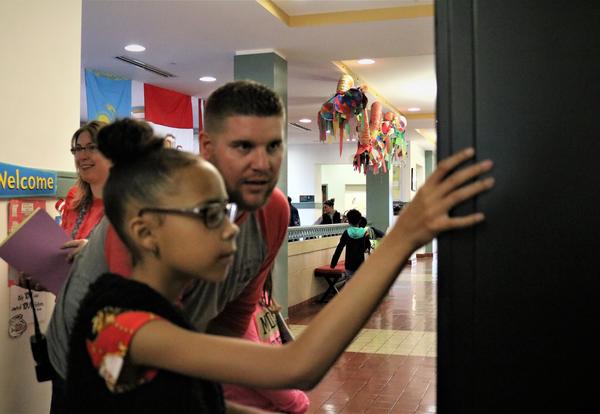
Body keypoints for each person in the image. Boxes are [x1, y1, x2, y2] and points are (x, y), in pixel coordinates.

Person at [63, 125, 494, 412]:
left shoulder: (160, 312)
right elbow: (297, 365)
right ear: (146, 230)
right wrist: (405, 236)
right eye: (210, 215)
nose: (231, 230)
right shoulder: (122, 325)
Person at [46, 80, 289, 410]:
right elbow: (300, 366)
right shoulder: (122, 319)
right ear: (207, 146)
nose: (263, 163)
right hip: (85, 372)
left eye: (274, 146)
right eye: (243, 147)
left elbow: (230, 322)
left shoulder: (271, 214)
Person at [222, 275, 310, 413]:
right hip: (254, 405)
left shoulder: (262, 296)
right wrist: (295, 399)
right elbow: (254, 366)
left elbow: (282, 341)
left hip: (276, 398)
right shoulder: (238, 309)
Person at [60, 120, 110, 260]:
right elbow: (62, 249)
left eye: (91, 147)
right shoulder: (73, 198)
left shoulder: (131, 207)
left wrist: (93, 251)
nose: (82, 156)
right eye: (78, 149)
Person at [330, 209, 371, 281]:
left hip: (349, 265)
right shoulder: (365, 233)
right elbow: (368, 247)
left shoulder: (346, 233)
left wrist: (333, 263)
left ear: (348, 221)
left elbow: (339, 248)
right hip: (360, 264)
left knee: (350, 285)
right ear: (359, 220)